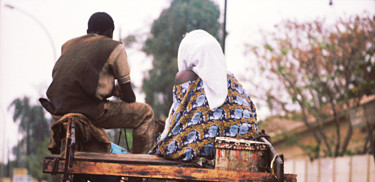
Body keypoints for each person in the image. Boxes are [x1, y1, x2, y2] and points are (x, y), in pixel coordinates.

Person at [40, 12, 155, 154]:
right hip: (89, 110)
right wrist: (122, 93)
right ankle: (139, 170)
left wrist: (112, 90)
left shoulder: (68, 45)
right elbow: (130, 97)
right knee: (145, 113)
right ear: (110, 32)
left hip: (58, 110)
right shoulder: (113, 46)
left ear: (88, 32)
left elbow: (79, 80)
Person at [150, 29, 258, 161]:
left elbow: (177, 117)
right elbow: (252, 110)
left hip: (204, 147)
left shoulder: (185, 76)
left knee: (167, 146)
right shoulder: (233, 80)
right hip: (241, 147)